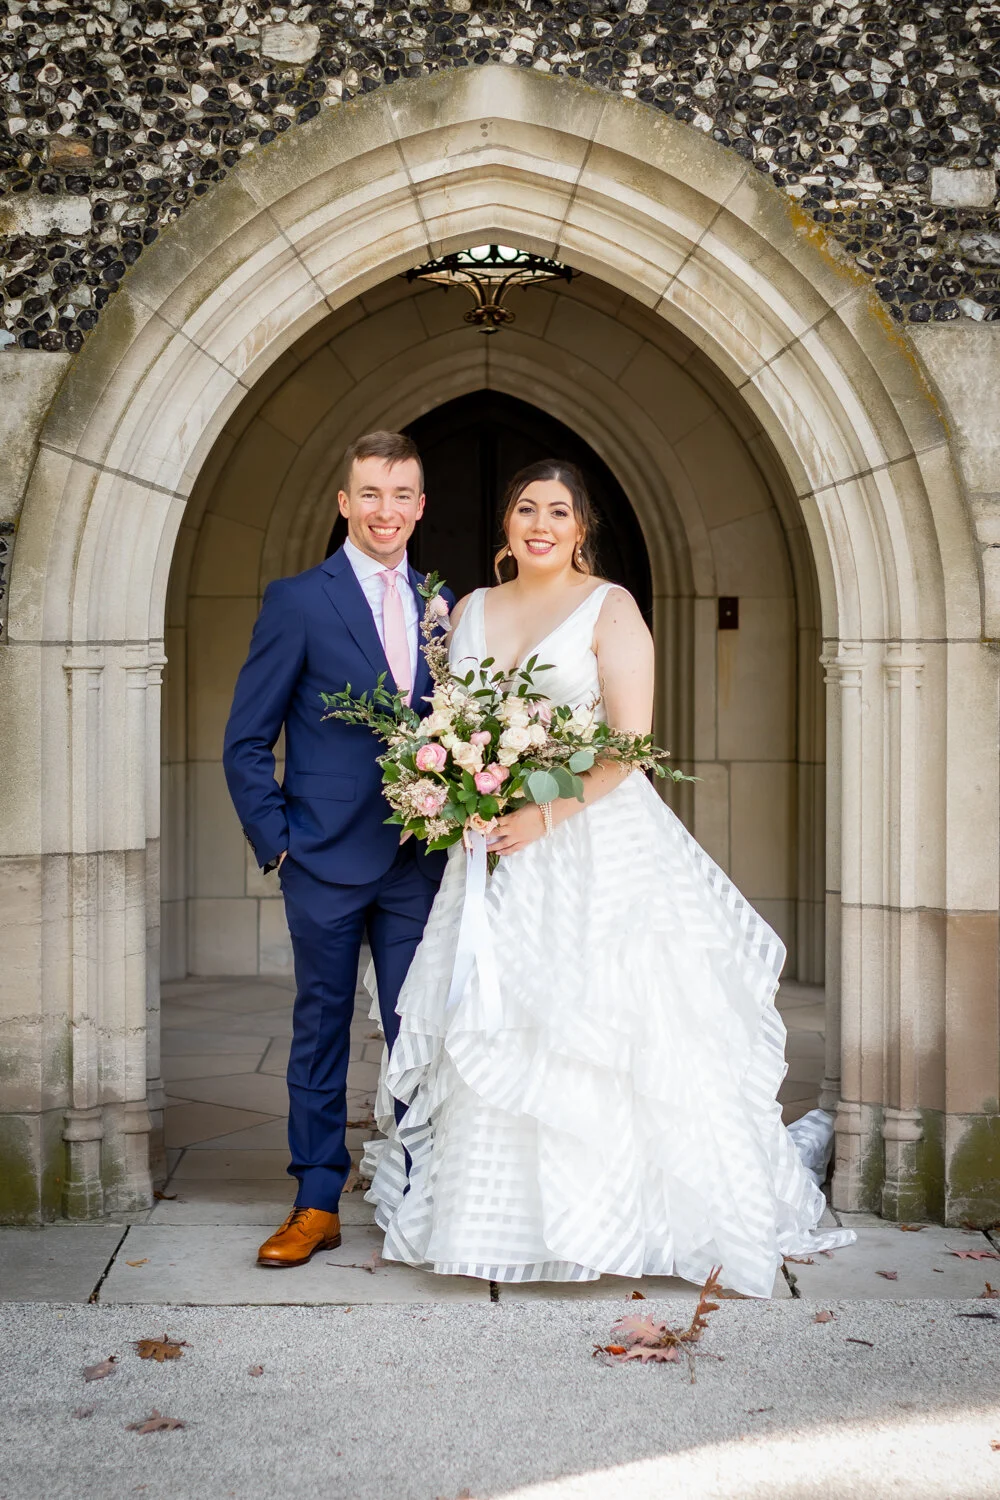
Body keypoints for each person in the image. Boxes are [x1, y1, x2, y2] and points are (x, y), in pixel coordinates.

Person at [367, 458, 854, 1298]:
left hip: (590, 843)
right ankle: (496, 1225)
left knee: (602, 1028)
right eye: (527, 508)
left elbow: (629, 747)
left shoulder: (611, 607)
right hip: (491, 852)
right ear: (506, 524)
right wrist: (456, 790)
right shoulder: (468, 610)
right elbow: (446, 722)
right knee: (495, 1021)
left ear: (582, 528)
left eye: (559, 511)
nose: (541, 523)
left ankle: (620, 1223)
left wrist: (541, 814)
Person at [223, 430, 452, 1269]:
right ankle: (316, 1200)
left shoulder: (441, 604)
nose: (386, 511)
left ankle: (421, 1194)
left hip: (416, 859)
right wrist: (279, 844)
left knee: (416, 1028)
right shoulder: (298, 600)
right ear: (345, 503)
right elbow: (246, 740)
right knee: (320, 1028)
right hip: (319, 857)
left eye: (402, 495)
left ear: (420, 507)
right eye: (371, 494)